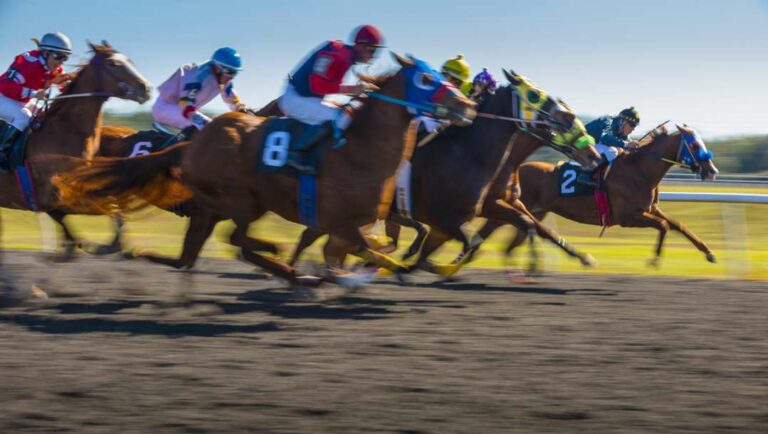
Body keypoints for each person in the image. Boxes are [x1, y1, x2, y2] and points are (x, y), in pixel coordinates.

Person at [277, 24, 384, 172]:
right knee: (341, 118)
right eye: (372, 50)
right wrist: (352, 89)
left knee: (347, 113)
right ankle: (295, 153)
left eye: (376, 51)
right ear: (360, 45)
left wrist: (356, 92)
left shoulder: (347, 57)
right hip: (294, 98)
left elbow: (328, 86)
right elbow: (316, 86)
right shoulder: (336, 52)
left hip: (308, 98)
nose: (373, 56)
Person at [0, 32, 74, 167]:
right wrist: (33, 93)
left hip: (20, 101)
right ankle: (2, 152)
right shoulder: (27, 63)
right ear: (45, 53)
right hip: (2, 97)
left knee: (45, 116)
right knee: (24, 116)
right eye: (58, 56)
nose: (61, 62)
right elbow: (5, 86)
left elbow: (64, 87)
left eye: (65, 58)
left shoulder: (54, 69)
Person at [153, 47, 247, 141]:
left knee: (211, 127)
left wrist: (243, 110)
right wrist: (205, 121)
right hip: (166, 108)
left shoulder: (224, 78)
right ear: (218, 68)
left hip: (184, 110)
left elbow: (233, 102)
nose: (232, 77)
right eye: (230, 72)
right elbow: (185, 105)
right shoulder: (198, 76)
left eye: (235, 73)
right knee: (208, 129)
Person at [577, 106, 641, 185]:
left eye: (635, 126)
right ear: (622, 121)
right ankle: (585, 174)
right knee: (613, 151)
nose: (633, 129)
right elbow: (605, 138)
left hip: (593, 146)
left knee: (621, 151)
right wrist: (627, 144)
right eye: (632, 125)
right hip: (581, 145)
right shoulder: (608, 121)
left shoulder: (621, 130)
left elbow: (626, 144)